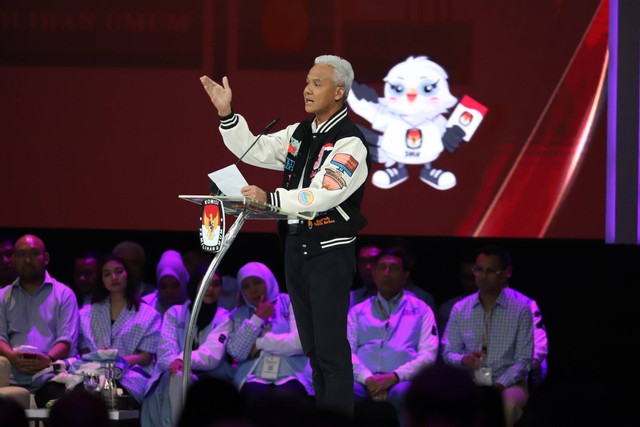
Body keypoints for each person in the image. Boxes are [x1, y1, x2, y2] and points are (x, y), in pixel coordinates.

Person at [201, 54, 370, 415]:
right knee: (313, 349)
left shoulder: (350, 142)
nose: (307, 89)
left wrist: (271, 198)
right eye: (307, 81)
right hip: (296, 246)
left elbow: (327, 192)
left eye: (317, 83)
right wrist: (227, 115)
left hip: (328, 249)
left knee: (331, 351)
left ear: (339, 92)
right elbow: (254, 149)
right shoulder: (299, 133)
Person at [441, 245, 534, 427]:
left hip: (509, 384)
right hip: (470, 382)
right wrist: (464, 359)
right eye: (478, 269)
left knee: (504, 407)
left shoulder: (521, 308)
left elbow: (524, 360)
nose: (482, 276)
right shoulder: (460, 308)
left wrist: (499, 385)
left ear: (506, 272)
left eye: (491, 271)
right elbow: (447, 353)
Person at [348, 248, 439, 425]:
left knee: (404, 393)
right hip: (363, 380)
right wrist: (368, 378)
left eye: (394, 268)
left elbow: (428, 356)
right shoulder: (357, 312)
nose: (387, 273)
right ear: (373, 273)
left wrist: (394, 376)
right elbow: (345, 352)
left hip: (401, 381)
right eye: (382, 267)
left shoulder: (421, 310)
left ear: (405, 276)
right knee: (343, 391)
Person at [141, 265, 233, 427]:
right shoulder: (174, 313)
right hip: (171, 373)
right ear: (194, 286)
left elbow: (212, 354)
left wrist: (182, 360)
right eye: (205, 283)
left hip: (208, 376)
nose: (210, 289)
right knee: (178, 377)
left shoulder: (224, 317)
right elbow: (165, 352)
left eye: (216, 284)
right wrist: (178, 364)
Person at [0, 234, 79, 407]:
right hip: (12, 374)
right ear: (13, 259)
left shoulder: (64, 294)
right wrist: (12, 357)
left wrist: (48, 359)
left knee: (61, 405)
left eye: (34, 253)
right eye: (21, 254)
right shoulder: (2, 296)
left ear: (46, 258)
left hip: (50, 375)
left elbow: (66, 340)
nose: (27, 260)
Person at [76, 253, 161, 405]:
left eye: (118, 271)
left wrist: (115, 362)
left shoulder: (149, 315)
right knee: (82, 392)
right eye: (107, 274)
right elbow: (84, 351)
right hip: (94, 371)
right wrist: (100, 362)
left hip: (131, 374)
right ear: (101, 279)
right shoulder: (86, 314)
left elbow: (145, 356)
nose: (114, 277)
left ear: (128, 274)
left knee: (114, 393)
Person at [227, 262, 312, 407]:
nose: (253, 290)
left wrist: (259, 344)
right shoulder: (239, 313)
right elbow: (236, 352)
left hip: (291, 373)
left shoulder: (290, 302)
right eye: (246, 286)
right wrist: (258, 318)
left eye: (257, 282)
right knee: (253, 398)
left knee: (289, 398)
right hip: (253, 376)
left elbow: (300, 343)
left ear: (268, 281)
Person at [142, 250, 189, 316]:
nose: (169, 291)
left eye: (175, 286)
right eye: (163, 287)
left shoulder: (195, 304)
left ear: (183, 282)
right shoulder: (146, 305)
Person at [349, 242, 382, 307]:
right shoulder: (351, 298)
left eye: (373, 260)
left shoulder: (402, 298)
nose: (368, 267)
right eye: (362, 261)